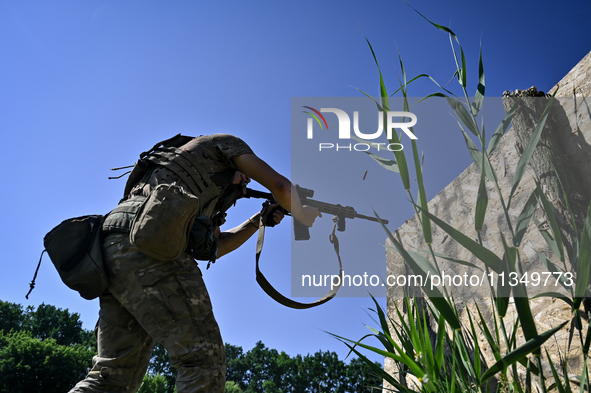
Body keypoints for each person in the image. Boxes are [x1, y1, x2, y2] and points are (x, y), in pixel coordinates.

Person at [68, 134, 320, 393]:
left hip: (110, 251)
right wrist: (302, 211)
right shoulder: (225, 143)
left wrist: (258, 220)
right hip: (151, 247)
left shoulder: (184, 175)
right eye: (246, 174)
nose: (246, 180)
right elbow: (282, 187)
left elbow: (215, 248)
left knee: (111, 378)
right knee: (202, 360)